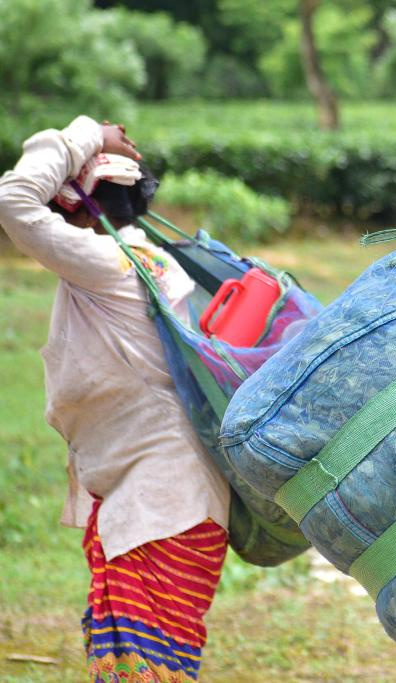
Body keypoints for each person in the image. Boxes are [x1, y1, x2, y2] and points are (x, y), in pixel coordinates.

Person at [0, 116, 230, 682]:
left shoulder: (104, 263)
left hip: (161, 507)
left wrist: (86, 135)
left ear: (72, 202)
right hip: (167, 503)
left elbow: (12, 199)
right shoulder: (155, 264)